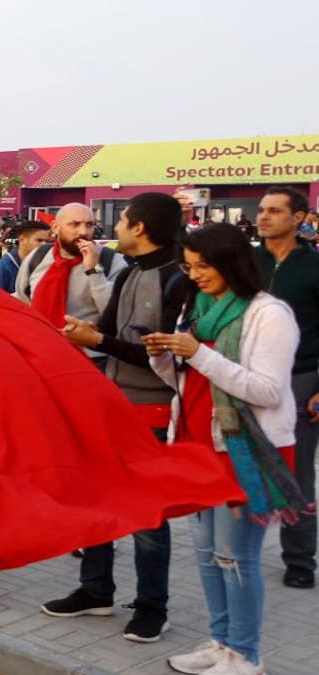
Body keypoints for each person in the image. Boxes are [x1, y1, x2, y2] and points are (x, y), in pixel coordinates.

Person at [149, 225, 307, 675]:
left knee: (234, 558)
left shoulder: (268, 313)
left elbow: (267, 391)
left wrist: (197, 353)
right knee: (205, 554)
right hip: (199, 448)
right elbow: (189, 384)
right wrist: (165, 356)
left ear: (231, 262)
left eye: (204, 265)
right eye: (189, 265)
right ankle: (221, 642)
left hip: (245, 453)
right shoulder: (200, 308)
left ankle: (246, 654)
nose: (195, 275)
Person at [41, 192, 193, 643]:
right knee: (97, 498)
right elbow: (107, 331)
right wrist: (81, 335)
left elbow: (163, 356)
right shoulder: (128, 276)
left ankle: (151, 606)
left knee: (147, 512)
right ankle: (95, 589)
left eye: (122, 218)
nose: (115, 227)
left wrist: (97, 341)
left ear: (141, 228)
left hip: (155, 410)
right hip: (110, 402)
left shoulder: (177, 280)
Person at [252, 186, 319, 590]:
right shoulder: (247, 263)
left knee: (295, 475)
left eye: (274, 211)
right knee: (242, 468)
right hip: (244, 379)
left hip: (300, 380)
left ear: (299, 218)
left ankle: (299, 559)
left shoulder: (313, 267)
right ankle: (236, 549)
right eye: (261, 210)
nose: (263, 217)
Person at [13, 203, 125, 367]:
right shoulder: (38, 257)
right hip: (40, 355)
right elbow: (23, 300)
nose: (83, 232)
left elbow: (117, 314)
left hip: (92, 360)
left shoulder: (112, 261)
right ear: (55, 228)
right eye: (74, 224)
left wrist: (94, 270)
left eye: (89, 225)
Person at [0, 220, 51, 294]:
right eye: (39, 240)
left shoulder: (41, 265)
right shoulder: (2, 269)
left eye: (46, 241)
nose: (44, 244)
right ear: (22, 240)